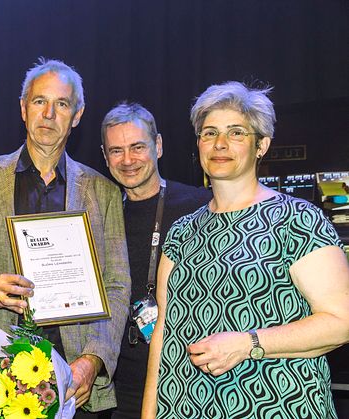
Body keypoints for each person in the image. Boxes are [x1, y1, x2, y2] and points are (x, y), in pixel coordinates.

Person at [141, 81, 349, 418]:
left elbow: (342, 322)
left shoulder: (296, 219)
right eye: (209, 133)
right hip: (185, 407)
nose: (219, 144)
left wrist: (248, 343)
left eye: (236, 132)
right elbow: (162, 334)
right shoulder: (181, 232)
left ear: (261, 145)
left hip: (276, 406)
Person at [0, 58, 131, 416]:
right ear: (23, 109)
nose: (49, 114)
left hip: (74, 375)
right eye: (40, 101)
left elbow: (116, 285)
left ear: (77, 115)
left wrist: (93, 360)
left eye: (62, 104)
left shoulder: (103, 192)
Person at [99, 102, 211, 419]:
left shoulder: (201, 206)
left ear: (158, 146)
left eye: (137, 147)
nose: (128, 160)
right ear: (105, 157)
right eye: (116, 151)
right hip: (118, 390)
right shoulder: (100, 214)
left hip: (187, 382)